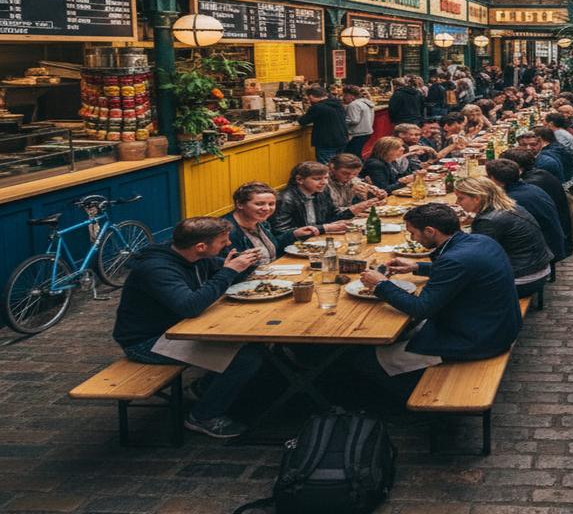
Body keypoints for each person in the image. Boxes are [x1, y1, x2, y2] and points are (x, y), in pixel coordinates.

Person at [112, 217, 265, 438]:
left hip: (181, 329)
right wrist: (229, 271)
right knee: (245, 357)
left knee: (254, 339)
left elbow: (219, 274)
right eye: (223, 242)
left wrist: (237, 266)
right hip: (150, 341)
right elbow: (190, 306)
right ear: (201, 246)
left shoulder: (192, 256)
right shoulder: (158, 269)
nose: (229, 245)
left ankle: (204, 389)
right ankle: (203, 416)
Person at [358, 203, 521, 381]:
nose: (413, 239)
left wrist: (380, 284)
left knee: (368, 360)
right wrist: (416, 266)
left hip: (478, 339)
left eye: (413, 233)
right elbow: (464, 270)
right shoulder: (480, 241)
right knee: (402, 332)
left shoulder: (454, 260)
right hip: (498, 325)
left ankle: (395, 402)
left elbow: (421, 308)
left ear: (430, 231)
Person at [455, 177, 554, 299]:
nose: (457, 203)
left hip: (523, 279)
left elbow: (475, 257)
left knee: (456, 287)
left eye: (461, 198)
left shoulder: (488, 221)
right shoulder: (508, 206)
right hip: (537, 267)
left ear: (477, 198)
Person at [486, 158, 566, 263]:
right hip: (553, 243)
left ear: (495, 180)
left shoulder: (511, 199)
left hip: (539, 252)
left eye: (488, 177)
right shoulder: (530, 188)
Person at [272, 161, 378, 235]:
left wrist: (355, 209)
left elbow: (332, 217)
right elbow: (281, 233)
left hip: (319, 238)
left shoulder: (322, 191)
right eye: (317, 179)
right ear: (299, 180)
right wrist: (323, 228)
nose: (324, 183)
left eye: (326, 178)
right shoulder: (285, 199)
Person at [224, 181, 319, 260]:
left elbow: (273, 247)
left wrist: (294, 234)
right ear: (240, 204)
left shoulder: (261, 222)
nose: (267, 208)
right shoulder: (227, 231)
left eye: (271, 204)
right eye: (259, 204)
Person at [501, 148, 571, 241]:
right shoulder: (540, 173)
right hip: (558, 230)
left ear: (518, 169)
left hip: (548, 239)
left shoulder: (528, 185)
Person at [298, 85, 349, 163]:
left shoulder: (317, 107)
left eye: (308, 98)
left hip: (326, 142)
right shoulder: (338, 104)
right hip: (341, 138)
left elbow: (303, 121)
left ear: (311, 96)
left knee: (326, 167)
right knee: (339, 165)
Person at [342, 85, 375, 158]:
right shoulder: (366, 102)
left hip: (357, 133)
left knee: (352, 155)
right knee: (356, 153)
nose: (343, 97)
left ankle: (360, 168)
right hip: (366, 132)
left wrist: (341, 120)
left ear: (352, 96)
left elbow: (354, 120)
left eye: (345, 95)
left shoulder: (354, 104)